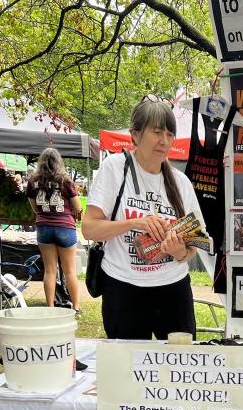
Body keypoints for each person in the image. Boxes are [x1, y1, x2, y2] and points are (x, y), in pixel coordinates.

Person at [82, 96, 204, 339]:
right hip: (123, 287)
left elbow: (194, 247)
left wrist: (179, 251)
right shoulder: (115, 168)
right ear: (135, 135)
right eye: (157, 132)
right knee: (129, 368)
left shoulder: (181, 183)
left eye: (170, 134)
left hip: (173, 289)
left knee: (178, 366)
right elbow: (89, 228)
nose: (164, 141)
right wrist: (135, 223)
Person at [26, 148, 82, 313]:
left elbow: (34, 208)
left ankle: (50, 307)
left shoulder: (33, 181)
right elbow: (78, 207)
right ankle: (76, 307)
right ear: (58, 162)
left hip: (44, 227)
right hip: (65, 227)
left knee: (50, 270)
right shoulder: (65, 181)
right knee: (69, 270)